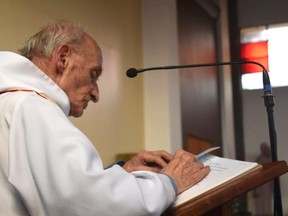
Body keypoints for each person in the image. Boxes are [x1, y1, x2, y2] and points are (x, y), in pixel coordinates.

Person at [0, 21, 210, 216]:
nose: (96, 94)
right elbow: (87, 205)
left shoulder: (12, 101)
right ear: (63, 58)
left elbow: (55, 191)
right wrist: (169, 182)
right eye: (93, 75)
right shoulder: (31, 107)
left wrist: (121, 173)